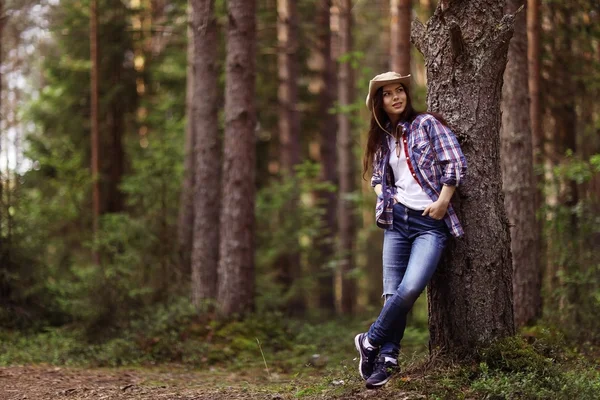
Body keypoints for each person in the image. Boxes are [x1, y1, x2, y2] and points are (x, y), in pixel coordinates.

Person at [354, 71, 467, 389]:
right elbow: (377, 178)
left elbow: (454, 161)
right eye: (388, 93)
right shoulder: (382, 137)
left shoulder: (427, 124)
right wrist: (387, 196)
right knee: (392, 293)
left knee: (410, 288)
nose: (396, 96)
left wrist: (444, 201)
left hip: (430, 223)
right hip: (396, 223)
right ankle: (387, 360)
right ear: (380, 102)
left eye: (399, 90)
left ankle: (370, 340)